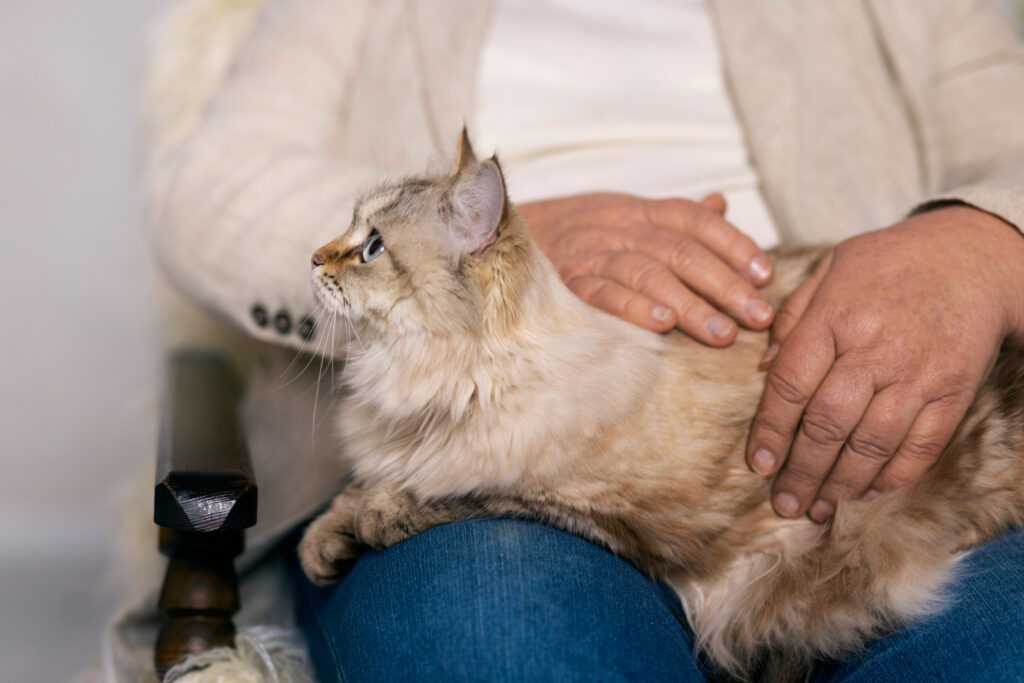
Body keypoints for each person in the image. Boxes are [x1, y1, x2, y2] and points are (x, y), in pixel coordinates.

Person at [140, 0, 1024, 680]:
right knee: (500, 636)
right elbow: (208, 188)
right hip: (469, 458)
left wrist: (984, 238)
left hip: (886, 460)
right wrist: (482, 252)